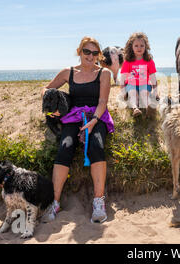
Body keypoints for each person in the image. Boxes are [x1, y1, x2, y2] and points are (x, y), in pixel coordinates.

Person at [40, 36, 113, 224]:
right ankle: (54, 202)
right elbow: (46, 89)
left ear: (99, 55)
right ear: (79, 52)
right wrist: (51, 102)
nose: (90, 56)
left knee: (96, 146)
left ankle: (98, 202)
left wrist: (93, 121)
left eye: (95, 53)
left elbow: (103, 102)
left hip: (97, 116)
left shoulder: (104, 73)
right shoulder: (68, 72)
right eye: (86, 51)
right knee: (65, 147)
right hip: (72, 116)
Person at [119, 32, 158, 117]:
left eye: (142, 45)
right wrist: (123, 92)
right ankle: (135, 108)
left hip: (144, 84)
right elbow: (122, 78)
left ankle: (149, 108)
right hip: (131, 85)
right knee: (133, 94)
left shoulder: (149, 61)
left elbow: (153, 77)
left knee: (144, 93)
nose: (139, 48)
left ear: (146, 47)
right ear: (131, 47)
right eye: (136, 46)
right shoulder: (128, 61)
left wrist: (155, 92)